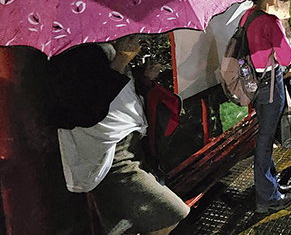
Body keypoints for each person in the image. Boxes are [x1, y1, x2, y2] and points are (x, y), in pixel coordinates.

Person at [56, 35, 190, 235]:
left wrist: (141, 75)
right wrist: (120, 61)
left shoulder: (102, 46)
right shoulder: (77, 52)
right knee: (173, 216)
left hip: (129, 146)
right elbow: (86, 107)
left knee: (123, 227)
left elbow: (117, 92)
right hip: (109, 156)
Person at [241, 0, 291, 213]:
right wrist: (282, 31)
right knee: (264, 141)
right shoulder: (270, 22)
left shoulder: (247, 17)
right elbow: (287, 57)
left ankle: (271, 184)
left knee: (265, 136)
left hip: (254, 84)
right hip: (271, 85)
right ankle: (267, 197)